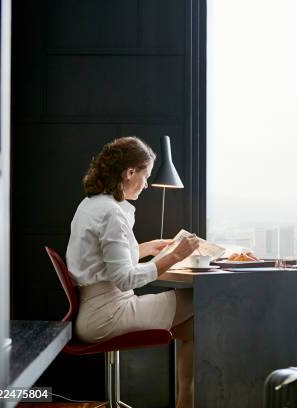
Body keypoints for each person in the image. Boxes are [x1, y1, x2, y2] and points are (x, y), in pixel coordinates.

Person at [66, 136, 197, 408]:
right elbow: (124, 278)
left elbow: (102, 263)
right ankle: (187, 402)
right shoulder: (111, 213)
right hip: (109, 315)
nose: (147, 184)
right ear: (129, 172)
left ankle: (186, 402)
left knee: (193, 328)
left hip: (92, 313)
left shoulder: (91, 205)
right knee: (199, 302)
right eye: (145, 175)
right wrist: (175, 255)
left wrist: (148, 248)